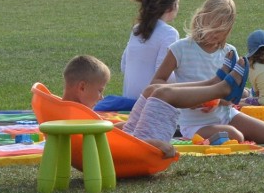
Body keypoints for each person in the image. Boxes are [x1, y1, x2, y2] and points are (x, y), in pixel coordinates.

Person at [150, 0, 264, 145]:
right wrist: (187, 98)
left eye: (221, 29)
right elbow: (157, 83)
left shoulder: (229, 52)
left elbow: (231, 98)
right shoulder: (180, 48)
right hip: (195, 124)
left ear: (229, 29)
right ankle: (219, 136)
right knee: (235, 136)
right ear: (201, 19)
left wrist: (219, 100)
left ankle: (223, 134)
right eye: (211, 26)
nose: (215, 33)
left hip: (226, 116)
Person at [62, 54, 250, 159]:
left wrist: (130, 123)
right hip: (136, 152)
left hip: (128, 143)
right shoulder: (73, 115)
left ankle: (213, 82)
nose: (102, 97)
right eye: (100, 91)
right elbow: (101, 147)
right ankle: (223, 89)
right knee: (162, 95)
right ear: (82, 86)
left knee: (152, 90)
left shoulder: (70, 112)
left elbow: (104, 134)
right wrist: (157, 145)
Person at [120, 0, 180, 101]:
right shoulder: (169, 33)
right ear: (171, 7)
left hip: (128, 99)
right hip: (149, 102)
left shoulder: (137, 30)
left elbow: (124, 65)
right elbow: (163, 75)